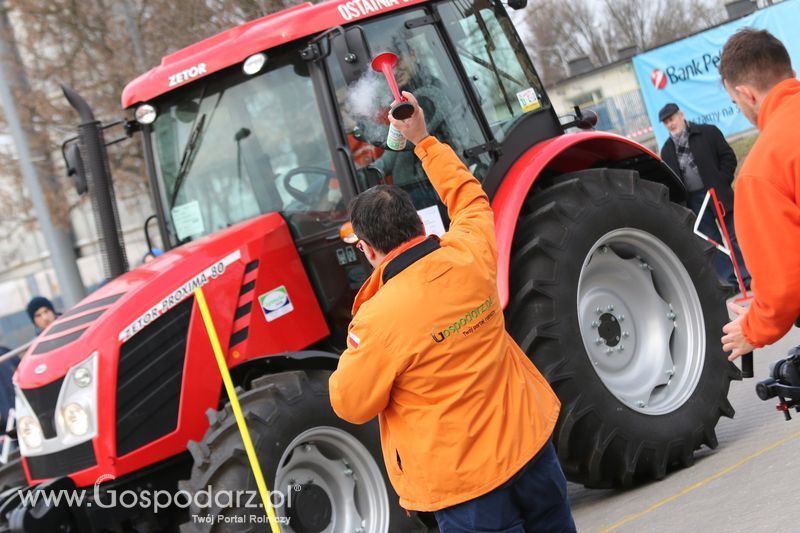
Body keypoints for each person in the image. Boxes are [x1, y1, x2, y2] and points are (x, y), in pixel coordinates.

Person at [329, 92, 575, 532]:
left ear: (367, 249)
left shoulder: (377, 319)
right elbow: (469, 199)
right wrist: (423, 140)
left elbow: (350, 404)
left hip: (467, 489)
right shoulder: (470, 254)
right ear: (421, 225)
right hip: (531, 451)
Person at [718, 28, 800, 360]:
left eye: (736, 102)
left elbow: (783, 287)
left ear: (747, 95)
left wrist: (753, 328)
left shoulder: (763, 169)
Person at [659, 102, 751, 290]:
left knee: (734, 236)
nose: (670, 124)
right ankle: (729, 282)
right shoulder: (667, 150)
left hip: (718, 194)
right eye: (666, 122)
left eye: (672, 118)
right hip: (695, 201)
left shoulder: (707, 132)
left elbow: (728, 157)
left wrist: (721, 181)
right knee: (712, 242)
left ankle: (747, 277)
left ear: (681, 115)